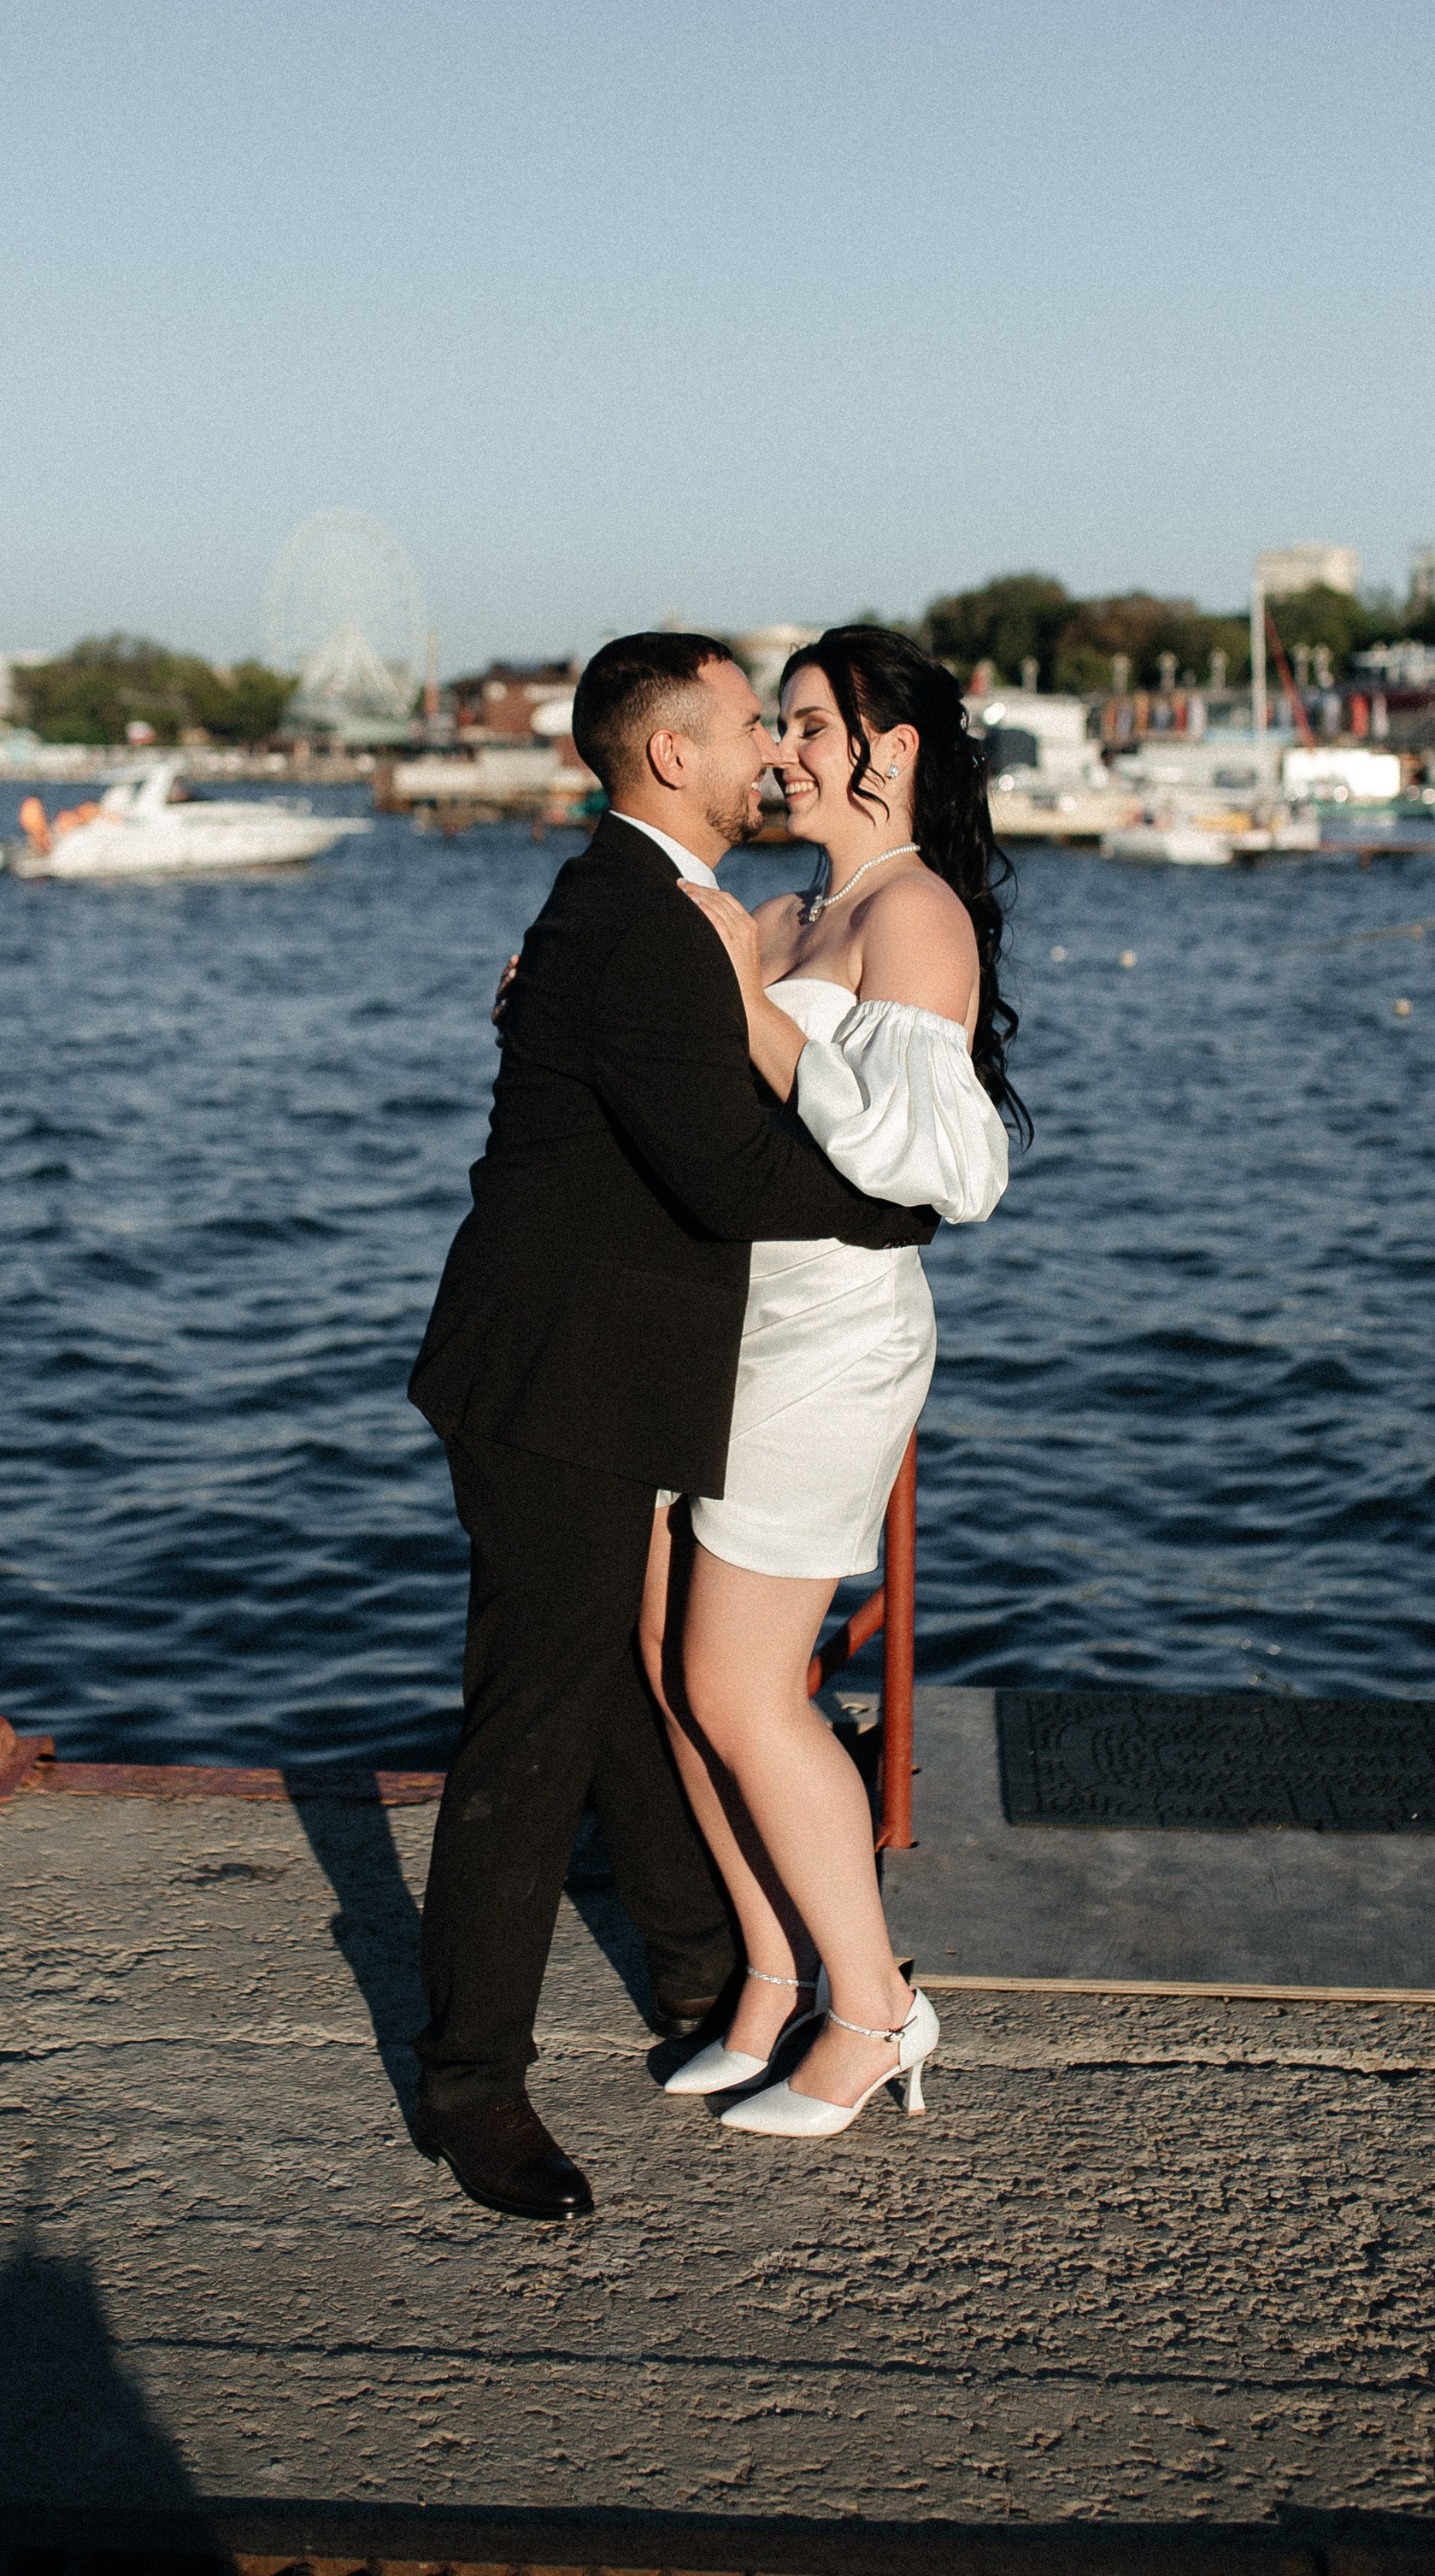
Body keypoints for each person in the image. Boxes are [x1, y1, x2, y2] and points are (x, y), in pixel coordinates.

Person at [406, 632, 938, 2222]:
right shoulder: (636, 922)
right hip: (558, 1381)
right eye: (745, 732)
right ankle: (471, 2092)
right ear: (668, 759)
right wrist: (911, 1201)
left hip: (592, 1360)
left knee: (640, 1681)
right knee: (532, 1724)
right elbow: (734, 1175)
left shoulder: (638, 908)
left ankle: (717, 1967)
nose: (773, 754)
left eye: (793, 731)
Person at [640, 626, 1024, 2138]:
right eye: (780, 725)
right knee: (674, 1665)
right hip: (715, 1322)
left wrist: (738, 1005)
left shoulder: (913, 915)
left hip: (832, 1336)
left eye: (809, 724)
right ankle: (771, 1977)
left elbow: (937, 1160)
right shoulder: (790, 903)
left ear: (896, 747)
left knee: (743, 1680)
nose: (782, 751)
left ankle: (873, 2009)